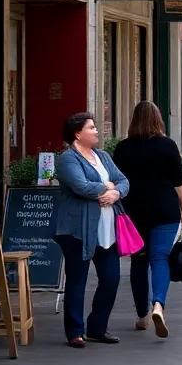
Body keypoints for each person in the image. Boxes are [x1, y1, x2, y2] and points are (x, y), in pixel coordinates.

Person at [111, 101, 182, 338]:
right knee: (160, 258)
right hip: (165, 209)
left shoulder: (123, 148)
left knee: (139, 262)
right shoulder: (167, 146)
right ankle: (158, 305)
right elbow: (179, 181)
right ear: (158, 119)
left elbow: (116, 180)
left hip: (134, 212)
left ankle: (142, 315)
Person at [54, 112, 129, 347]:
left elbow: (124, 181)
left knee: (111, 279)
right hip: (77, 230)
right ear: (78, 134)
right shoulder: (68, 159)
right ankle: (75, 331)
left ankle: (97, 327)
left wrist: (116, 192)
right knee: (77, 281)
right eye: (91, 128)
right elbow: (80, 186)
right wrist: (106, 186)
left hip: (107, 229)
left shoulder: (103, 156)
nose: (97, 131)